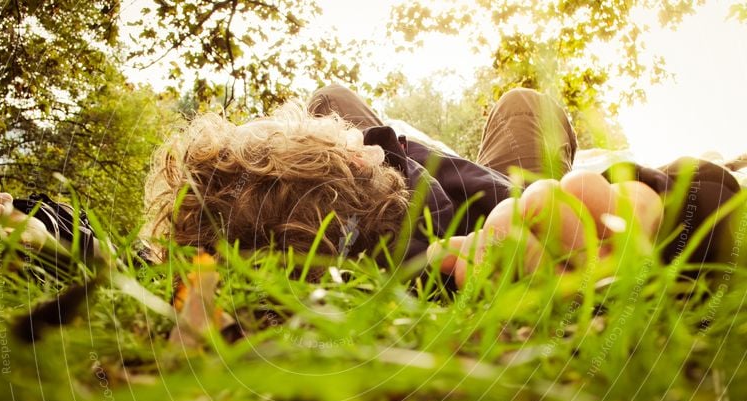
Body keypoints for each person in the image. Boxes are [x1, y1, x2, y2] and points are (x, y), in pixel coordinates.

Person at [144, 84, 742, 287]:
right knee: (526, 104)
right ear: (354, 157)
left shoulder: (368, 165)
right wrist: (653, 204)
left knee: (332, 98)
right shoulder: (414, 206)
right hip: (496, 200)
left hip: (458, 191)